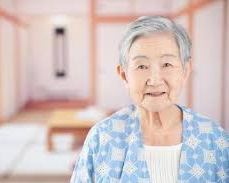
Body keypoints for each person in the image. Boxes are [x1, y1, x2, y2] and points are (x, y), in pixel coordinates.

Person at [70, 16, 229, 183]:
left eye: (167, 64)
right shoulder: (102, 137)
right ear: (124, 75)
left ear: (185, 71)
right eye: (142, 66)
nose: (154, 80)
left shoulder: (215, 139)